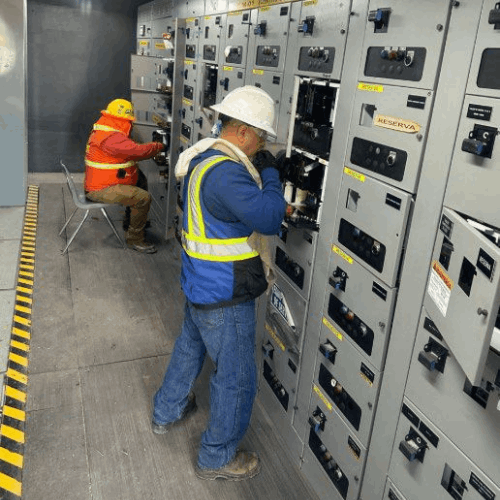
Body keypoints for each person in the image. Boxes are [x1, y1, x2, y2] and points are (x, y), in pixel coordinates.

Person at [152, 86, 286, 481]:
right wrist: (272, 173)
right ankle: (217, 457)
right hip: (225, 295)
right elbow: (269, 218)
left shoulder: (204, 159)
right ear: (243, 131)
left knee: (189, 348)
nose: (261, 146)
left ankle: (167, 410)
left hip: (200, 284)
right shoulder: (228, 173)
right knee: (237, 378)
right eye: (260, 138)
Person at [84, 98, 164, 253]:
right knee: (143, 198)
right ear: (122, 121)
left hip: (102, 183)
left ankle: (133, 222)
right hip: (100, 190)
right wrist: (158, 146)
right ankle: (135, 239)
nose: (131, 125)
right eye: (129, 121)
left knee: (140, 179)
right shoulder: (111, 138)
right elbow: (137, 151)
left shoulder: (104, 130)